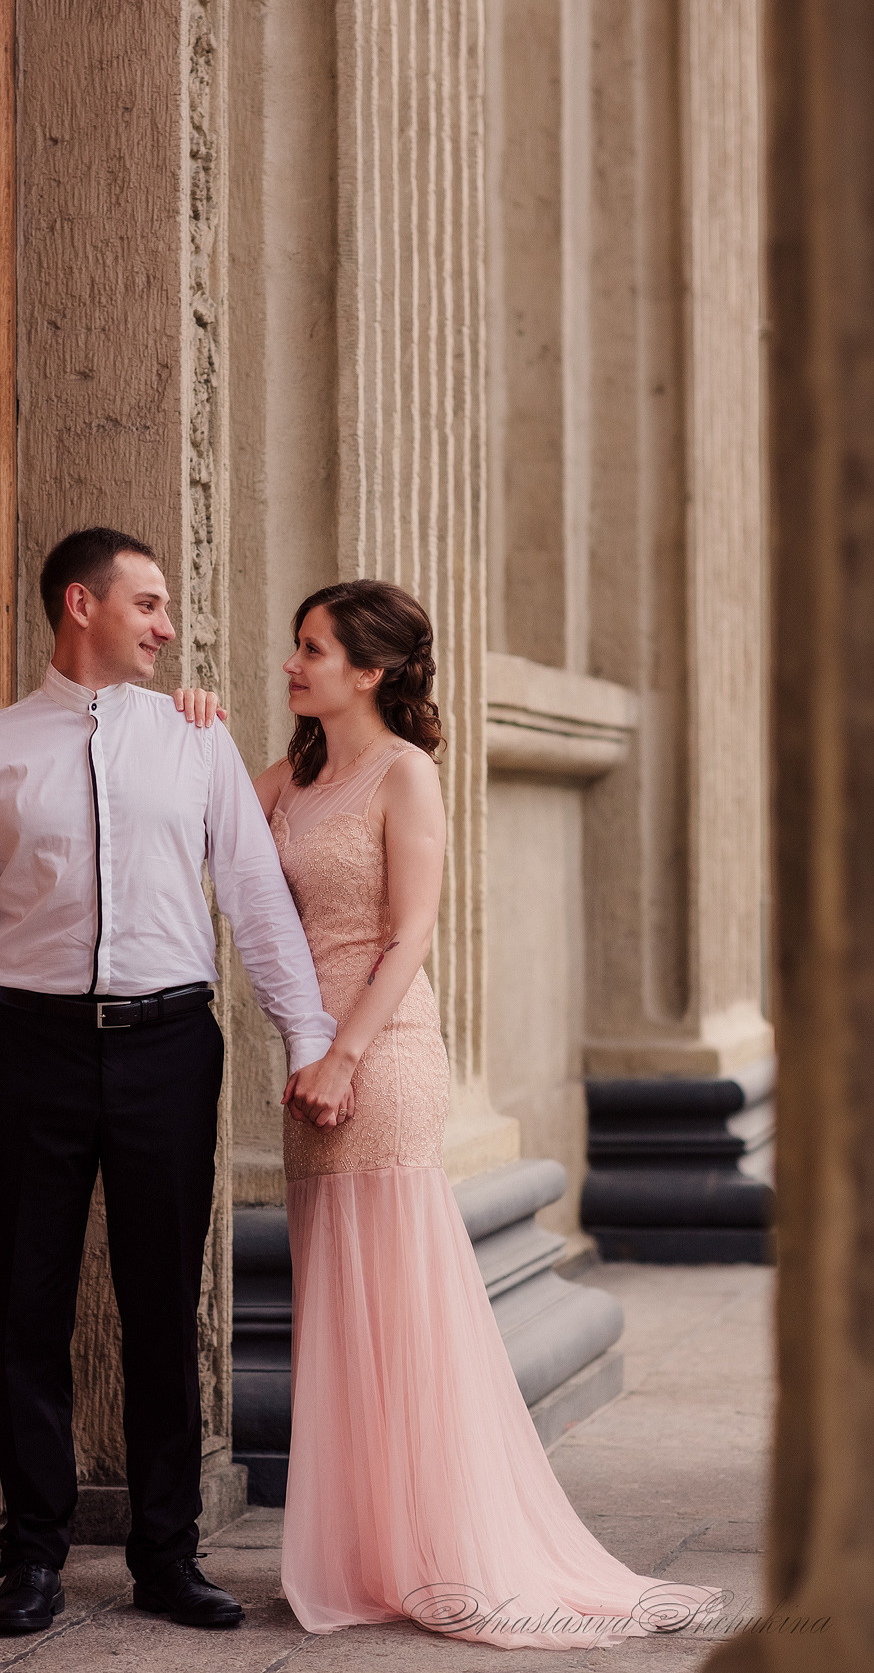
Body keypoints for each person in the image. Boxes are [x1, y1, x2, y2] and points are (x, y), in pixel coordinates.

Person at [244, 580, 717, 1649]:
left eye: (311, 649)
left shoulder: (403, 774)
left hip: (376, 1055)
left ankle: (444, 1546)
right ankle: (372, 1549)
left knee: (396, 1297)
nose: (291, 664)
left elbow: (410, 933)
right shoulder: (297, 773)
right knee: (340, 1299)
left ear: (369, 671)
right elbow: (212, 817)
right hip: (309, 1059)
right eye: (296, 646)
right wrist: (182, 722)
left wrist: (343, 1056)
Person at [0, 526, 336, 1636]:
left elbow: (253, 895)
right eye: (146, 604)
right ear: (79, 603)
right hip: (31, 1053)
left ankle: (166, 1556)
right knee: (29, 1306)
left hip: (167, 1049)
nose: (166, 627)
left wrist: (308, 1038)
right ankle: (32, 1559)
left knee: (162, 1306)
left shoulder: (194, 739)